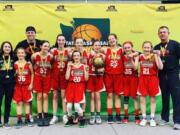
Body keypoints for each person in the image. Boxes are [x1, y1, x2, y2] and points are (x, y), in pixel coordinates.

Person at [154, 26, 180, 130]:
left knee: (176, 98)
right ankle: (164, 118)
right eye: (160, 32)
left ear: (168, 33)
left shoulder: (175, 44)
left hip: (173, 74)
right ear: (158, 34)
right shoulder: (156, 47)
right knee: (164, 97)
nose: (162, 34)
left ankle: (177, 121)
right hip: (161, 74)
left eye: (164, 32)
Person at [15, 26, 41, 123]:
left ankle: (37, 114)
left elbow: (48, 48)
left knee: (34, 95)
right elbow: (15, 55)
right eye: (28, 32)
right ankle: (28, 115)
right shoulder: (21, 44)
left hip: (38, 72)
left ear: (35, 33)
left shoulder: (40, 43)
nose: (30, 34)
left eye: (32, 32)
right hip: (25, 72)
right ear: (26, 34)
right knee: (26, 96)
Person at [138, 41, 163, 127]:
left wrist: (158, 56)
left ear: (151, 48)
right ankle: (144, 118)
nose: (146, 49)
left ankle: (152, 118)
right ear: (142, 48)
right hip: (143, 79)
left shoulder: (154, 56)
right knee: (142, 99)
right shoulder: (140, 56)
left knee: (152, 99)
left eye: (148, 47)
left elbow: (160, 67)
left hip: (152, 79)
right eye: (145, 47)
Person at [102, 34, 124, 123]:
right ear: (108, 41)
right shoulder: (105, 49)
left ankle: (118, 115)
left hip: (119, 75)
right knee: (109, 96)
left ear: (116, 39)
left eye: (113, 38)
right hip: (108, 75)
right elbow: (93, 50)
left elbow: (133, 52)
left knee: (117, 96)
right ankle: (110, 116)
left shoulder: (122, 49)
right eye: (109, 39)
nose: (111, 40)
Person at [65, 50, 89, 128]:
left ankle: (82, 119)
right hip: (71, 86)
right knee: (68, 106)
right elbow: (67, 78)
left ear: (80, 57)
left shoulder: (84, 66)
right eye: (74, 56)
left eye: (77, 55)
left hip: (79, 87)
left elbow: (86, 79)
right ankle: (70, 119)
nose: (76, 57)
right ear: (72, 57)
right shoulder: (70, 65)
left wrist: (85, 70)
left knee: (76, 106)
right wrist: (68, 68)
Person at [31, 40, 53, 127]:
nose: (46, 48)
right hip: (38, 77)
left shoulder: (51, 57)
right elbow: (33, 65)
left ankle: (46, 116)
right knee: (39, 96)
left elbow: (51, 66)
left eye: (48, 46)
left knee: (45, 96)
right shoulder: (34, 55)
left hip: (47, 77)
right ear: (41, 46)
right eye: (44, 46)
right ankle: (40, 116)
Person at [50, 34, 69, 124]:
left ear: (65, 41)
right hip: (55, 75)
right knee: (54, 95)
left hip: (64, 76)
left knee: (63, 96)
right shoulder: (53, 51)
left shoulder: (68, 51)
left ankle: (65, 115)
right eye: (59, 40)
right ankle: (55, 116)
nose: (61, 42)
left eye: (62, 40)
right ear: (57, 41)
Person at [13, 48, 34, 128]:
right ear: (17, 54)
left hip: (26, 86)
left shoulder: (28, 64)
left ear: (25, 54)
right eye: (19, 53)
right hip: (18, 86)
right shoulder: (15, 64)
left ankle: (27, 119)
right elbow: (13, 76)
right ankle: (19, 120)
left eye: (22, 53)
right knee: (19, 103)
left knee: (26, 103)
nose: (21, 54)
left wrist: (31, 84)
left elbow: (32, 74)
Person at [87, 40, 105, 125]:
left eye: (99, 45)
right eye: (95, 45)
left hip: (98, 77)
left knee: (97, 97)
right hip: (91, 77)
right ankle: (92, 115)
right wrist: (94, 57)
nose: (97, 47)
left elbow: (105, 66)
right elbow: (89, 63)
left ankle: (98, 115)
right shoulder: (88, 54)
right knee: (92, 97)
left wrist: (102, 69)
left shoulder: (103, 56)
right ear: (92, 46)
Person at [122, 41, 140, 124]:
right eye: (125, 48)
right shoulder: (122, 56)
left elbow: (135, 67)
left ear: (132, 47)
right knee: (125, 98)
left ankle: (137, 116)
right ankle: (126, 116)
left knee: (135, 97)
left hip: (134, 78)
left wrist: (131, 59)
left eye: (128, 47)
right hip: (125, 78)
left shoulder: (136, 56)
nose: (127, 49)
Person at [0, 41, 15, 129]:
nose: (7, 48)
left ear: (11, 48)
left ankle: (6, 121)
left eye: (9, 47)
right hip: (0, 84)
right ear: (2, 48)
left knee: (8, 103)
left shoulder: (14, 57)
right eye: (5, 46)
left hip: (10, 84)